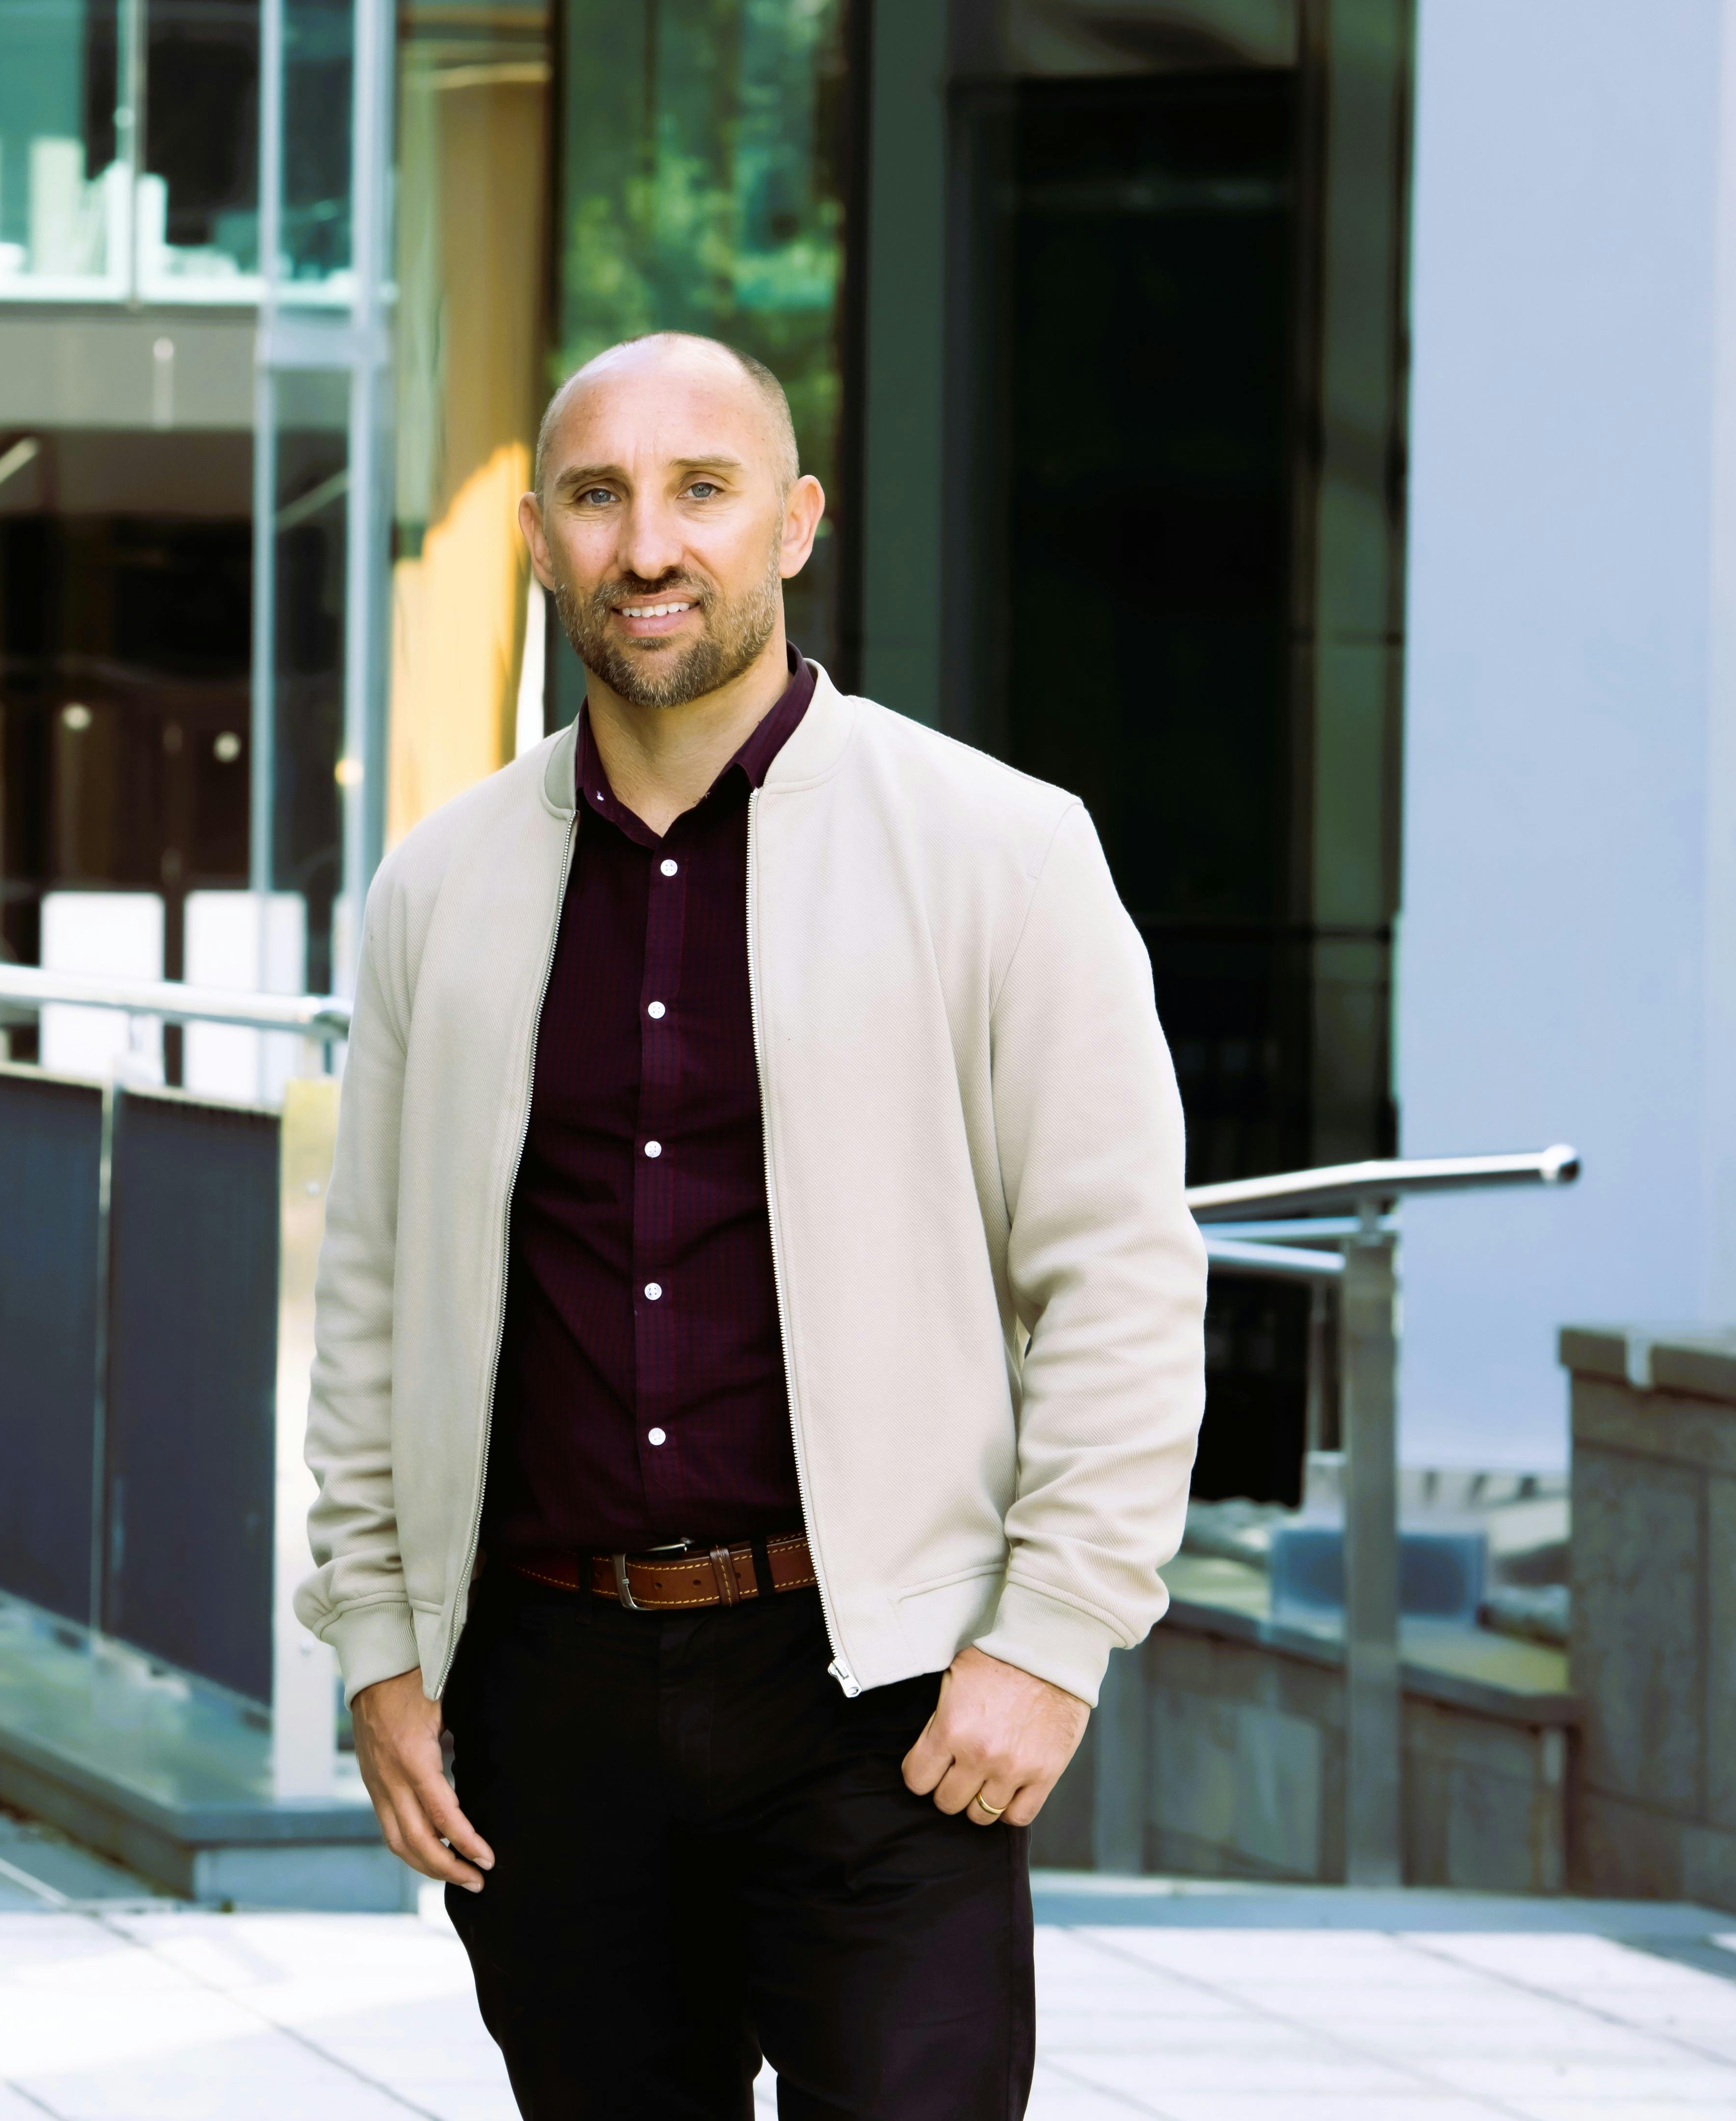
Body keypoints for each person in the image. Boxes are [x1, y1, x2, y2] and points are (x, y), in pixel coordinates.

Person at [296, 332, 1205, 2117]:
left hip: (882, 1696)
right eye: (597, 496)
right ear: (541, 542)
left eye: (701, 490)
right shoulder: (437, 888)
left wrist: (1052, 1635)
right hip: (545, 1698)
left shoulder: (1004, 849)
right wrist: (381, 1652)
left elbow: (1118, 1273)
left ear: (794, 523)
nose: (649, 544)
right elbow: (375, 1301)